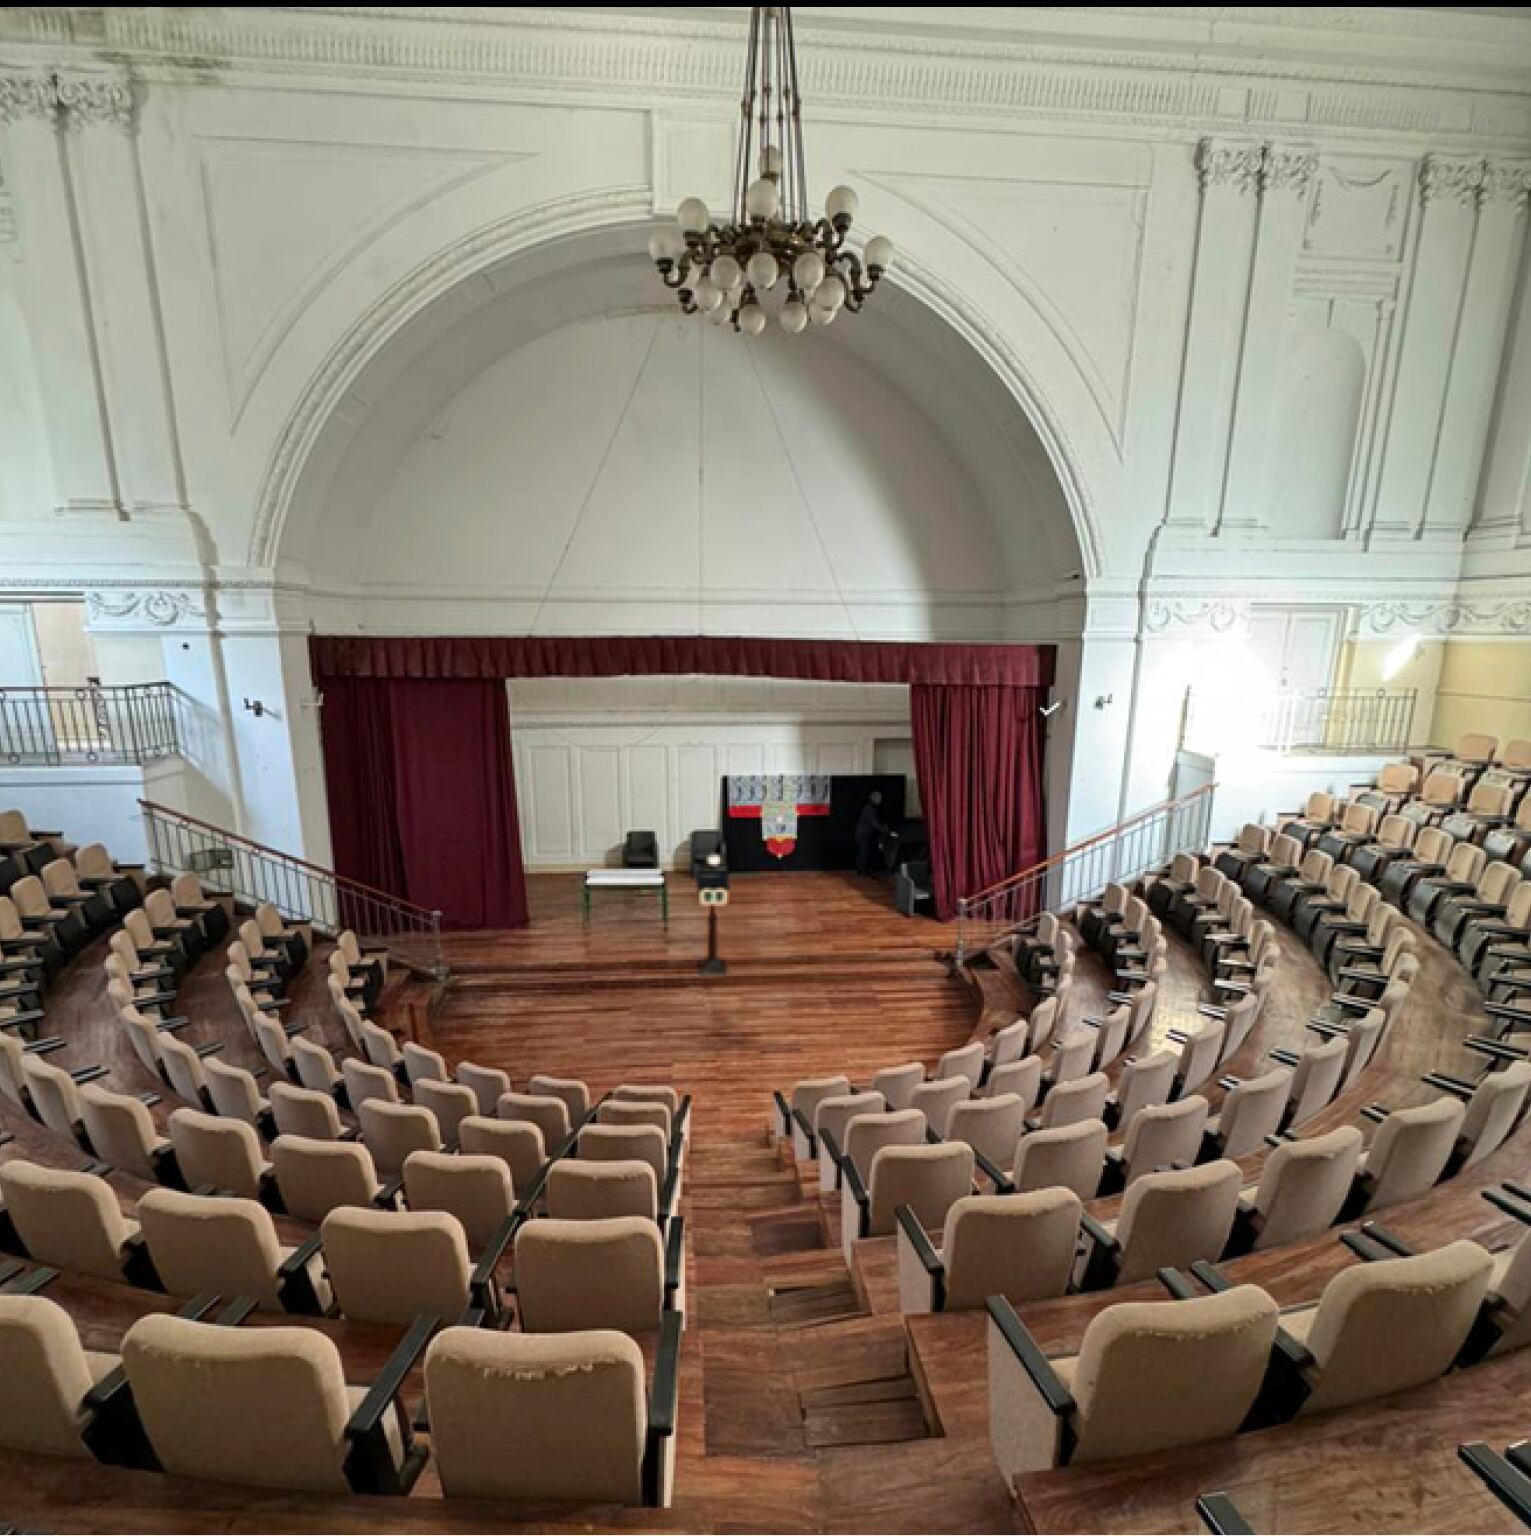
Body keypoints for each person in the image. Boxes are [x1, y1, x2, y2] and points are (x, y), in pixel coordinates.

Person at [854, 791, 888, 877]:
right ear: (873, 798)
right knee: (864, 852)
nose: (880, 800)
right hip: (863, 834)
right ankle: (861, 871)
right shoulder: (869, 809)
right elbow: (874, 823)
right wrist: (884, 830)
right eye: (878, 798)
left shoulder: (871, 808)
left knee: (865, 852)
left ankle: (862, 870)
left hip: (866, 834)